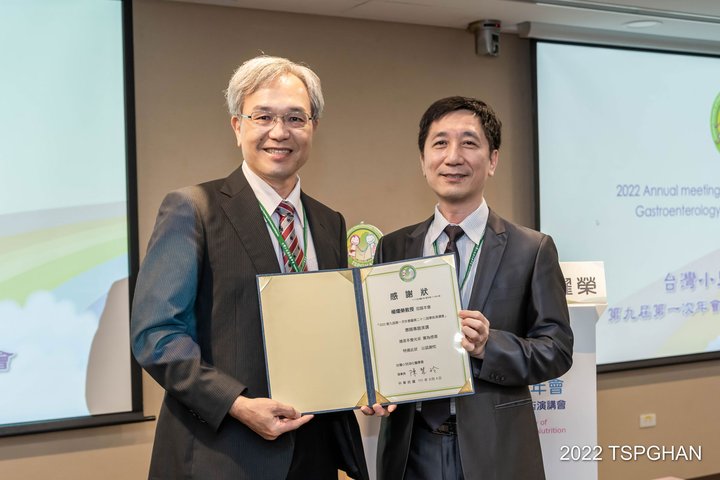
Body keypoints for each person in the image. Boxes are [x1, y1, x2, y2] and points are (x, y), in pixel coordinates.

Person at [131, 56, 368, 480]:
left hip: (313, 453)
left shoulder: (329, 222)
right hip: (223, 453)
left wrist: (371, 376)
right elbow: (156, 335)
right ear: (237, 126)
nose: (280, 132)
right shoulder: (193, 209)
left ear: (313, 127)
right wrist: (237, 405)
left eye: (295, 117)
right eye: (263, 116)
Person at [374, 96, 574, 480]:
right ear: (423, 161)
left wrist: (488, 346)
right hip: (410, 449)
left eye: (468, 143)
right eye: (440, 143)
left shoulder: (531, 249)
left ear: (493, 159)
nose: (453, 157)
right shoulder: (393, 247)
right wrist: (372, 387)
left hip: (495, 450)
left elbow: (557, 350)